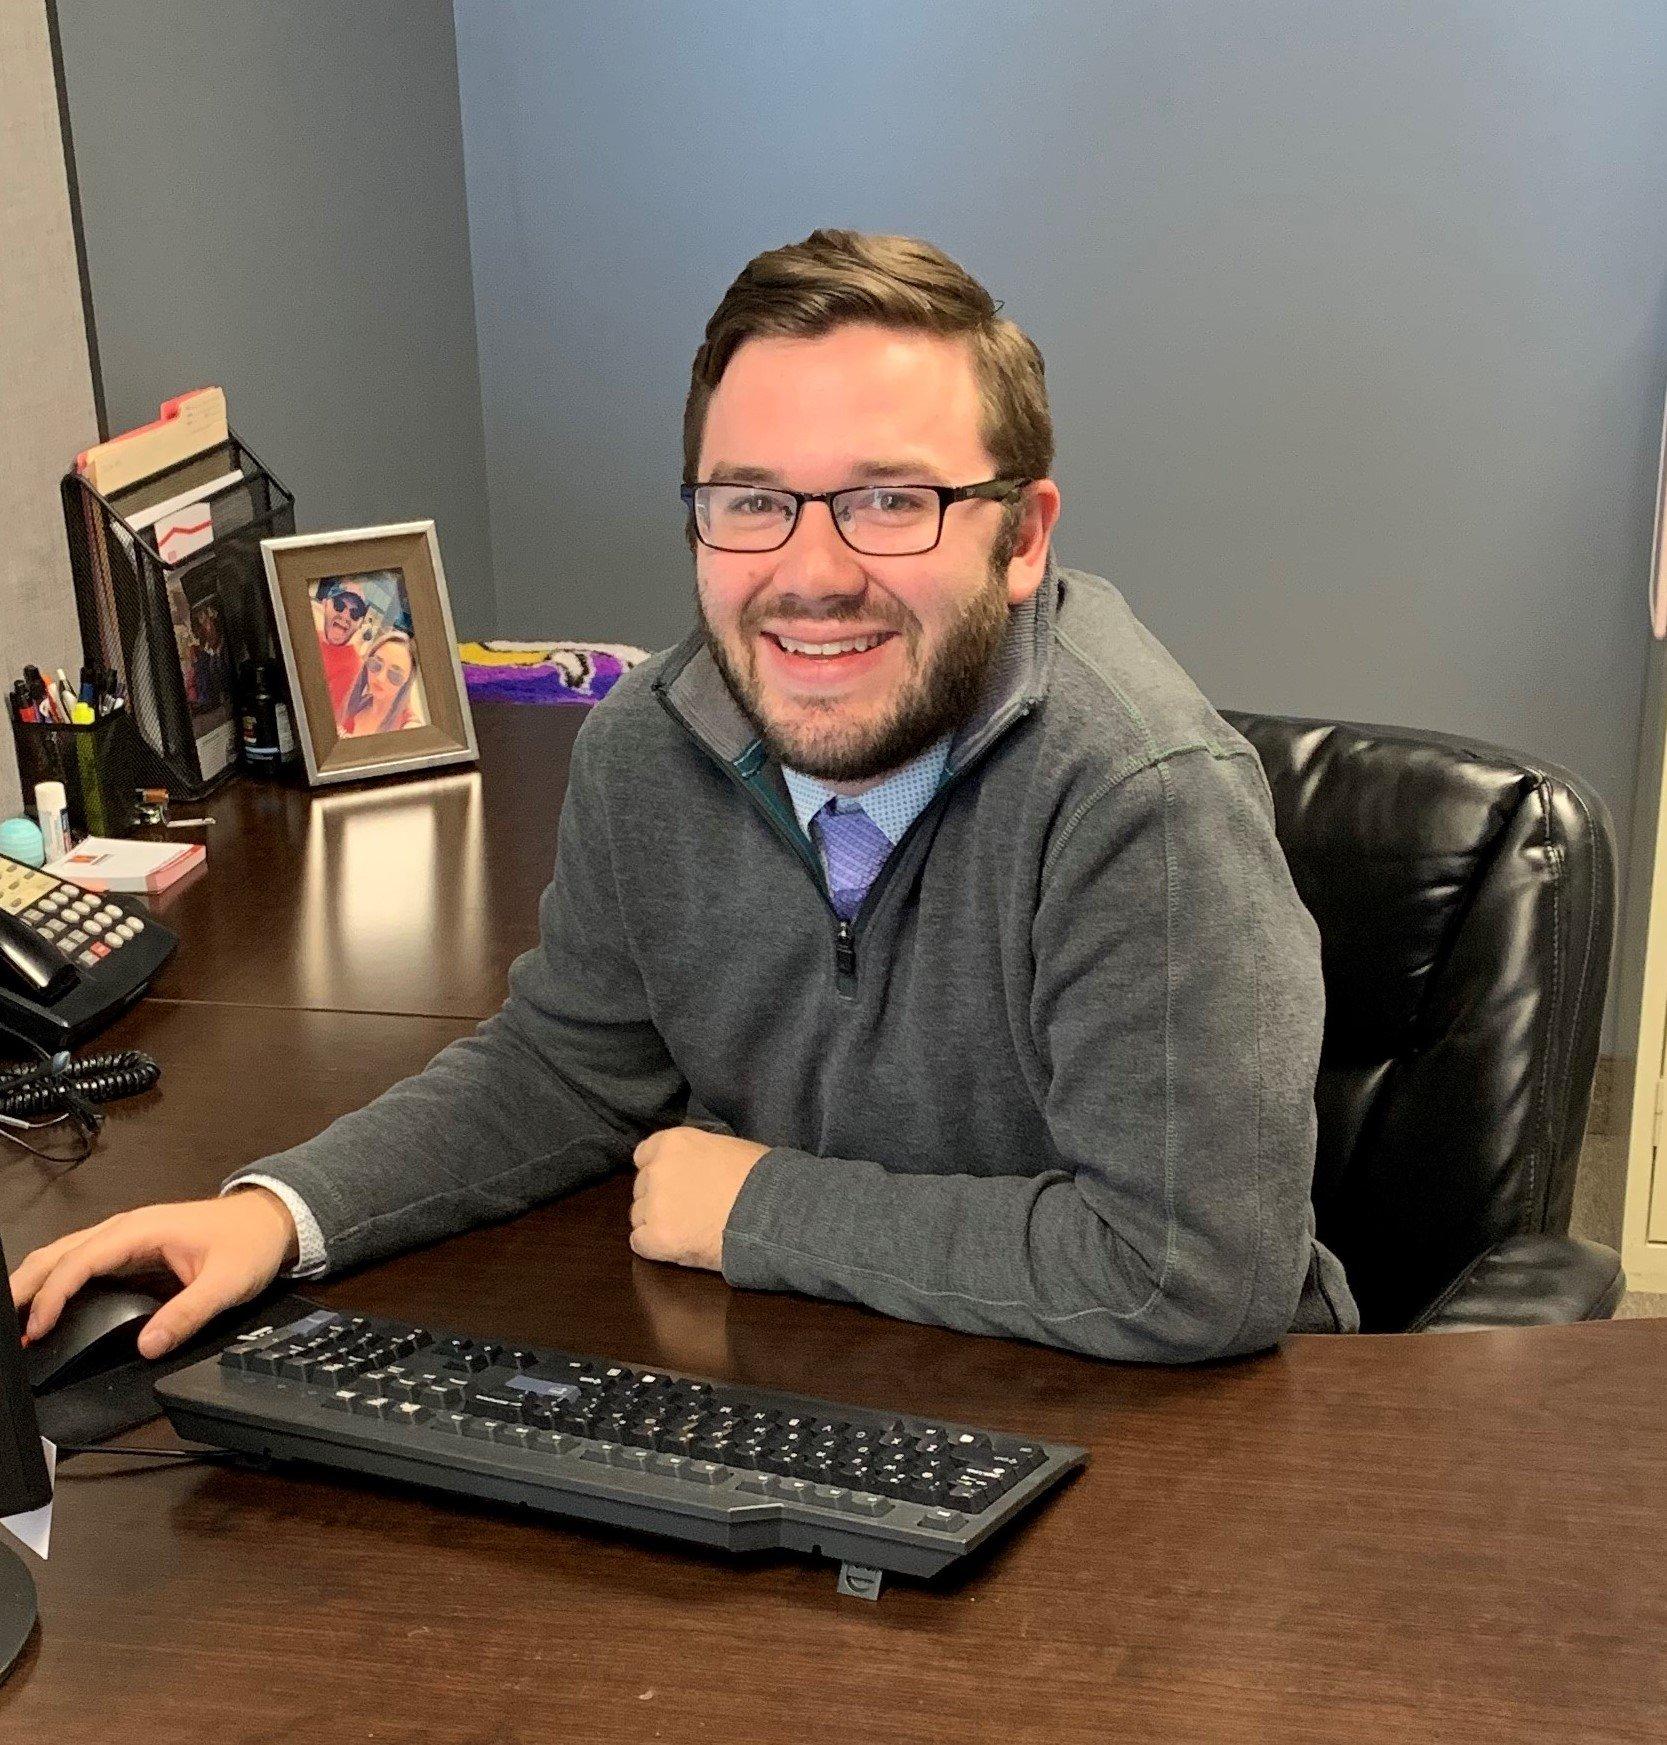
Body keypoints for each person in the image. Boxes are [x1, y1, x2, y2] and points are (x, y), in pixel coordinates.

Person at [10, 229, 1359, 1365]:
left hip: (1184, 1440)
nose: (811, 572)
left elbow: (1190, 1270)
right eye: (751, 501)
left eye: (890, 500)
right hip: (862, 1374)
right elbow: (567, 1065)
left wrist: (761, 1207)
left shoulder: (1140, 804)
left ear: (1024, 536)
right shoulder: (647, 749)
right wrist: (280, 1212)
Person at [339, 631, 419, 735]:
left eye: (395, 675)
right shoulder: (357, 705)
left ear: (406, 682)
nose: (380, 678)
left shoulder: (410, 730)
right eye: (376, 664)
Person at [316, 580, 369, 716]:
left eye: (355, 613)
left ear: (360, 623)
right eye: (339, 605)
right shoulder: (308, 638)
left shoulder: (355, 670)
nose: (345, 616)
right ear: (325, 603)